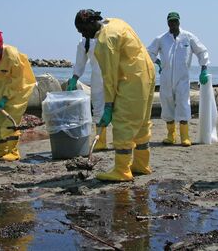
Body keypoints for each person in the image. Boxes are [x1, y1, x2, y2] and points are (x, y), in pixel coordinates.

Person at [74, 9, 155, 182]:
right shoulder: (114, 23)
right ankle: (141, 164)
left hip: (131, 79)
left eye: (82, 30)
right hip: (146, 74)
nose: (84, 35)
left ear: (89, 23)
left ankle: (122, 170)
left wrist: (109, 105)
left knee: (123, 123)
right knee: (141, 123)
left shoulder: (104, 41)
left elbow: (109, 77)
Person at [147, 12, 209, 147]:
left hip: (182, 78)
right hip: (166, 78)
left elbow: (202, 51)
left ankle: (185, 136)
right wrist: (158, 62)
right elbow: (149, 52)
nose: (173, 24)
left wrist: (204, 68)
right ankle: (171, 135)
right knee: (167, 104)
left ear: (179, 22)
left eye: (175, 21)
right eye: (171, 21)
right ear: (167, 22)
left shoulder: (188, 37)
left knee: (183, 104)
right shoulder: (161, 39)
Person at [0, 31, 36, 161]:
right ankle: (0, 150)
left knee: (11, 119)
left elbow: (16, 80)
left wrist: (5, 98)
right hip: (0, 83)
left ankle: (13, 152)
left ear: (2, 46)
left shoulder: (12, 56)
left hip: (20, 85)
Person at [66, 36, 109, 150]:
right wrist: (75, 78)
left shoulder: (110, 34)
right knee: (98, 109)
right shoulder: (85, 42)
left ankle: (122, 141)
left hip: (118, 77)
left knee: (121, 109)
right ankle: (101, 141)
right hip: (98, 79)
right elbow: (80, 62)